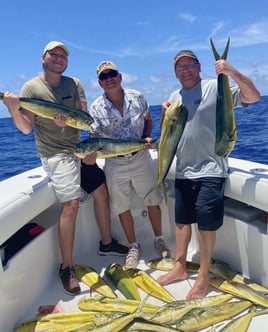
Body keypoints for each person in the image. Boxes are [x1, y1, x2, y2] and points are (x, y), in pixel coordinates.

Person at [2, 41, 127, 296]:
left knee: (101, 190)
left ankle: (106, 243)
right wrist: (13, 108)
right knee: (70, 204)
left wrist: (91, 148)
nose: (59, 58)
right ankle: (66, 267)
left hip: (78, 149)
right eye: (54, 54)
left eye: (63, 55)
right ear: (43, 58)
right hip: (55, 155)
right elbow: (26, 128)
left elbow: (83, 120)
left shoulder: (74, 84)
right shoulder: (31, 88)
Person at [157, 49, 260, 299]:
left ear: (199, 66)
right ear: (175, 72)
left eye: (189, 65)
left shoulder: (216, 88)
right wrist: (163, 113)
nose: (185, 70)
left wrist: (231, 71)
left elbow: (254, 97)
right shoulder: (174, 96)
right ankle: (180, 267)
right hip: (183, 170)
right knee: (181, 223)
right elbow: (167, 134)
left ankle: (203, 277)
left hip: (211, 170)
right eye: (180, 67)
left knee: (205, 226)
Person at [88, 60, 171, 269]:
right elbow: (93, 137)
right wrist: (89, 153)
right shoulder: (95, 107)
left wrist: (146, 137)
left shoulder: (138, 97)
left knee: (152, 198)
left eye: (112, 74)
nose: (109, 79)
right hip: (114, 163)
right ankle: (133, 246)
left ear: (120, 76)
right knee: (121, 205)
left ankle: (159, 239)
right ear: (99, 82)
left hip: (140, 157)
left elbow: (148, 120)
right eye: (103, 77)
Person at [80, 159, 128, 256]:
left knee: (101, 187)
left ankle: (107, 243)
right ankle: (107, 244)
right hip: (69, 160)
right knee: (99, 191)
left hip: (80, 156)